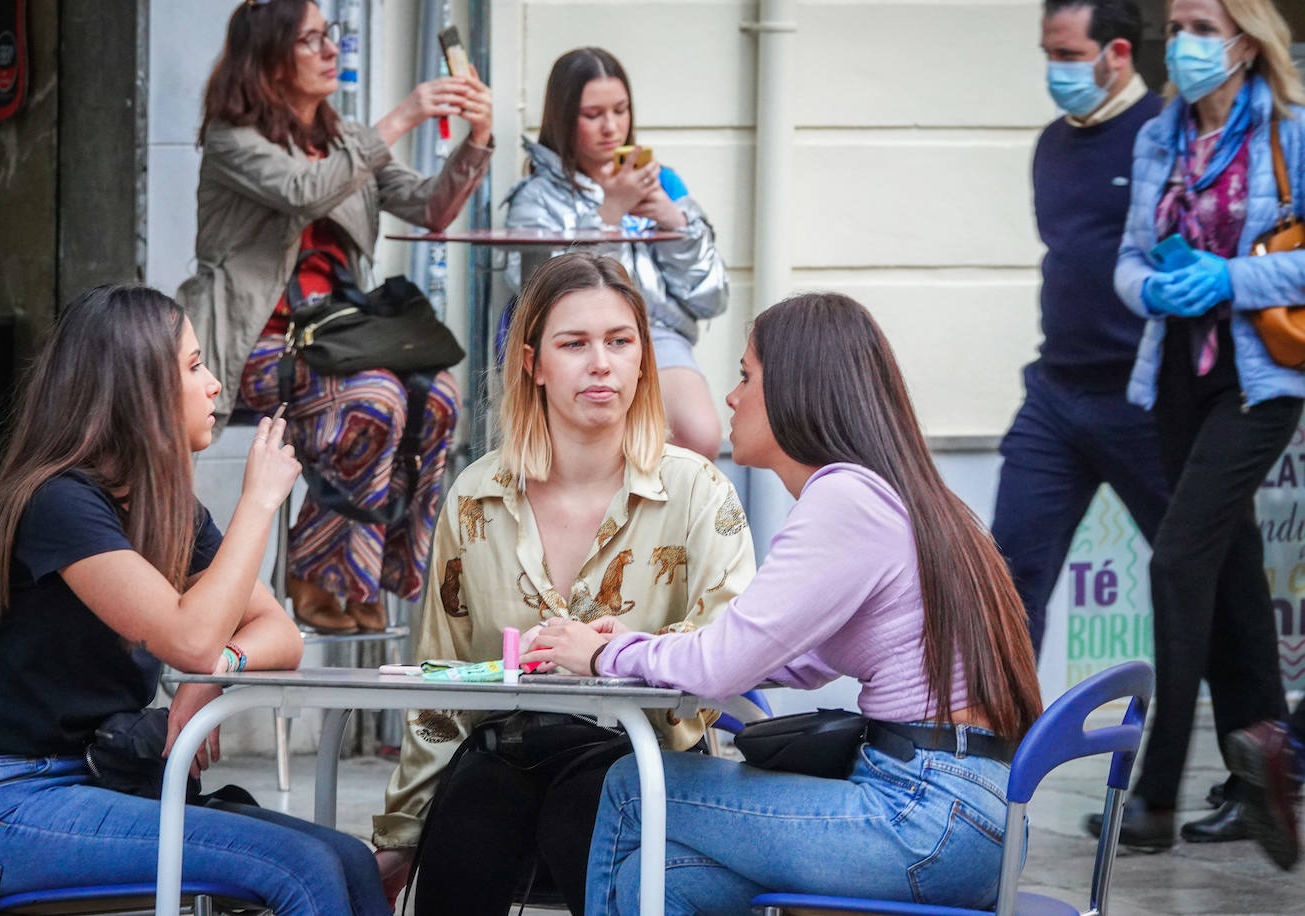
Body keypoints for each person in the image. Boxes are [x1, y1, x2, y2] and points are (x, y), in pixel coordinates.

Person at [527, 292, 1044, 914]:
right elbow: (782, 657)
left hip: (924, 817)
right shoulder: (895, 493)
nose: (731, 397)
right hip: (969, 815)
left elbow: (721, 667)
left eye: (747, 376)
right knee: (660, 879)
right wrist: (646, 646)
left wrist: (602, 654)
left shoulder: (845, 502)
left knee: (633, 786)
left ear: (798, 389)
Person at [0, 285, 390, 915]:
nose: (214, 384)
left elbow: (279, 634)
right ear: (137, 388)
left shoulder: (167, 512)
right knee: (302, 867)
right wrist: (259, 503)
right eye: (194, 366)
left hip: (105, 782)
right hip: (8, 803)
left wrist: (217, 670)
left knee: (349, 860)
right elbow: (191, 639)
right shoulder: (59, 502)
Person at [370, 253, 755, 914]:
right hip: (505, 754)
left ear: (643, 360)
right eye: (574, 344)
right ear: (533, 364)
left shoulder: (698, 491)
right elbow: (442, 683)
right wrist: (402, 835)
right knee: (471, 818)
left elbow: (731, 645)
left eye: (620, 341)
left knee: (585, 809)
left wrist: (620, 652)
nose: (601, 363)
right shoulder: (476, 496)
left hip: (641, 758)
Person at [178, 0, 493, 634]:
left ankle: (371, 577)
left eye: (332, 36)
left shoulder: (347, 138)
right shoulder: (233, 139)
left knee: (438, 396)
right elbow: (305, 190)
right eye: (311, 40)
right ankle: (320, 575)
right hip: (250, 342)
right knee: (373, 399)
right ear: (270, 58)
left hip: (338, 338)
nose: (331, 51)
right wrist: (403, 115)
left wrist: (478, 137)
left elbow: (430, 208)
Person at [1081, 0, 1305, 860]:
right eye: (1177, 27)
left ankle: (1155, 794)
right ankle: (1266, 776)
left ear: (1246, 40)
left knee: (1177, 562)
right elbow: (1129, 259)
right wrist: (1153, 287)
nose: (1184, 44)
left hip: (1260, 378)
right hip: (1176, 374)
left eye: (1204, 29)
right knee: (1232, 570)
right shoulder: (1159, 136)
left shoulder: (1288, 131)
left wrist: (1229, 279)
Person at [993, 0, 1168, 654]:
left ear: (1117, 53)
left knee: (1199, 575)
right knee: (1004, 576)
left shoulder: (1166, 135)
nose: (1054, 70)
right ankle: (996, 723)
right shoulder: (1053, 144)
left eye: (1068, 56)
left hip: (1145, 399)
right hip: (1055, 394)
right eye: (1049, 54)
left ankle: (1248, 715)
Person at [504, 47, 729, 462]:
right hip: (573, 338)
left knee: (699, 436)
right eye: (593, 115)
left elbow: (711, 299)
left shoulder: (663, 182)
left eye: (621, 110)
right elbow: (536, 292)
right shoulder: (536, 197)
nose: (611, 127)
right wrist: (608, 216)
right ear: (563, 117)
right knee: (599, 445)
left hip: (656, 333)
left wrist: (676, 226)